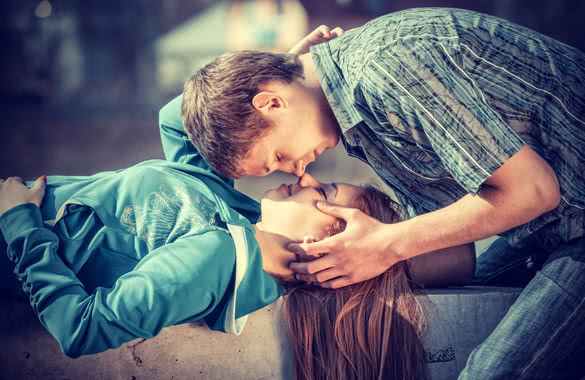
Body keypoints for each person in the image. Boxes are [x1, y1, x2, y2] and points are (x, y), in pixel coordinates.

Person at [171, 7, 585, 379]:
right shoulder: (348, 111)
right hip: (546, 232)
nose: (298, 170)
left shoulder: (383, 71)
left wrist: (388, 244)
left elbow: (534, 191)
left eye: (279, 155)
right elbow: (456, 257)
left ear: (272, 103)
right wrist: (290, 68)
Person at [0, 165, 473, 379]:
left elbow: (81, 328)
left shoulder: (219, 256)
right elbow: (182, 120)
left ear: (329, 245)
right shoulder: (237, 211)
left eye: (324, 191)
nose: (307, 176)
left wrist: (17, 223)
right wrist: (289, 69)